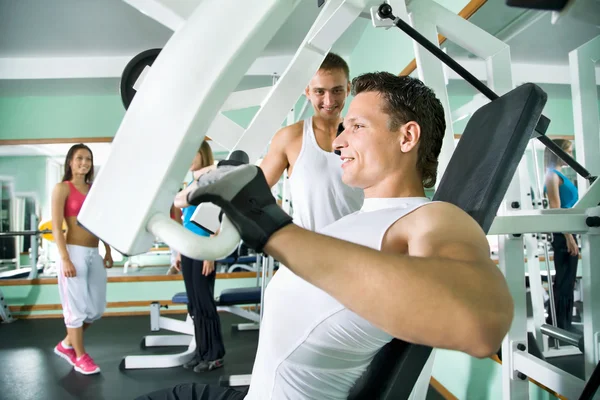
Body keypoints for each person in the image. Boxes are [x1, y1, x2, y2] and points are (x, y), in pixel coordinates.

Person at [137, 72, 514, 400]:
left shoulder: (431, 218)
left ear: (407, 137)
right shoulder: (353, 222)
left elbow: (482, 325)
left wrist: (271, 227)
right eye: (343, 127)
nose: (337, 142)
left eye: (357, 127)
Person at [259, 52, 363, 231]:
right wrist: (284, 226)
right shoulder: (289, 138)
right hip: (308, 251)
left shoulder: (362, 135)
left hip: (358, 247)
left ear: (347, 89)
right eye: (319, 91)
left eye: (336, 90)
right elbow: (255, 190)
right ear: (307, 91)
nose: (329, 101)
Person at [51, 143, 113, 375]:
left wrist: (107, 250)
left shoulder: (93, 189)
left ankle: (66, 344)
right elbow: (57, 227)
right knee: (75, 309)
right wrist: (65, 258)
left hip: (93, 252)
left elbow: (100, 223)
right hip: (73, 252)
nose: (84, 163)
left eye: (88, 159)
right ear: (70, 161)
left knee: (95, 309)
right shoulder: (62, 188)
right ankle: (79, 356)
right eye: (79, 158)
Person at [172, 140, 226, 372]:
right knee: (194, 305)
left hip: (204, 250)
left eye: (193, 154)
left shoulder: (211, 181)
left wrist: (210, 254)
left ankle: (215, 354)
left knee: (205, 303)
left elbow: (217, 221)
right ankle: (201, 351)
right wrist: (179, 250)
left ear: (203, 155)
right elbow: (185, 222)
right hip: (188, 249)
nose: (190, 159)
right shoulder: (191, 184)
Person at [544, 139, 579, 332]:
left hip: (569, 231)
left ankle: (564, 324)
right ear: (559, 153)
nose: (571, 156)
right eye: (569, 152)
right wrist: (569, 237)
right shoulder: (551, 175)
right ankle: (560, 326)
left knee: (568, 280)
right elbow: (556, 209)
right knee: (564, 280)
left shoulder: (558, 174)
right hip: (563, 233)